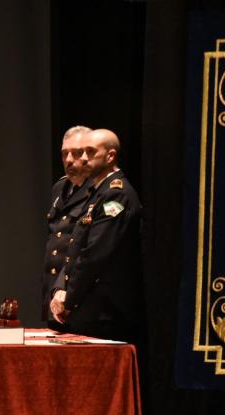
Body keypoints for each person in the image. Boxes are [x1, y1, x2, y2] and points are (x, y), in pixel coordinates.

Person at [50, 128, 143, 343]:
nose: (83, 159)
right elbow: (74, 250)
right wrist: (60, 290)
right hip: (88, 307)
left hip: (104, 310)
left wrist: (69, 299)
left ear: (110, 156)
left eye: (90, 152)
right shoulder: (98, 193)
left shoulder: (117, 194)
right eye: (82, 152)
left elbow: (95, 254)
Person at [42, 125, 92, 330]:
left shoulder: (99, 191)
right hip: (55, 293)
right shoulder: (60, 187)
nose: (69, 159)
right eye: (65, 154)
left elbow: (87, 248)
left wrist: (66, 290)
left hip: (77, 295)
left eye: (77, 153)